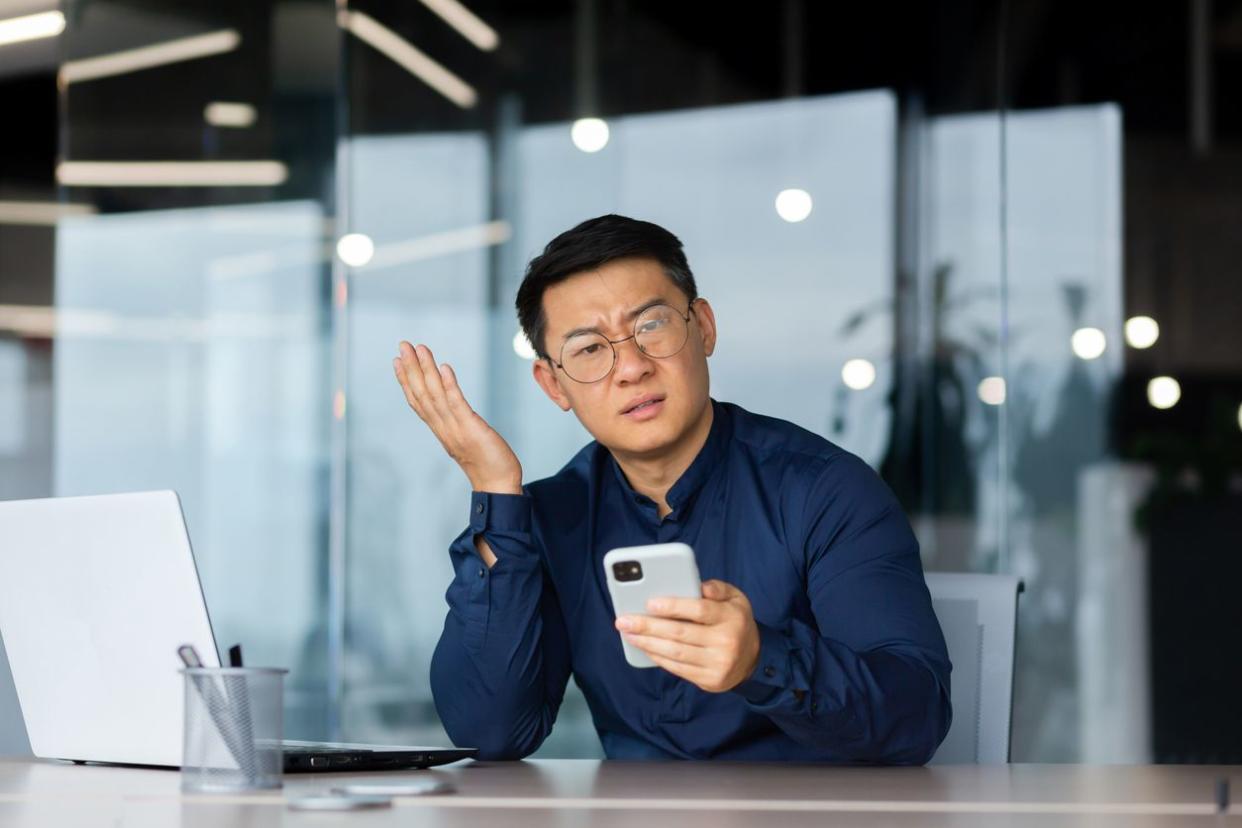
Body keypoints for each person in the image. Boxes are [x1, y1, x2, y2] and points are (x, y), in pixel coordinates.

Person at [392, 214, 951, 762]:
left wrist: (763, 661)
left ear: (702, 327)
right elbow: (492, 733)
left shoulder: (826, 490)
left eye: (651, 326)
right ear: (553, 384)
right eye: (589, 349)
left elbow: (917, 714)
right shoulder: (553, 516)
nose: (631, 368)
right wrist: (495, 491)